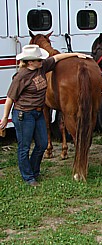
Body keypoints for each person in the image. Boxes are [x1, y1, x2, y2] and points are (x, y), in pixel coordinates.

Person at [0, 44, 92, 187]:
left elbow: (56, 58)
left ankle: (33, 171)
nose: (41, 61)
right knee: (24, 147)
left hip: (38, 113)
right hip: (24, 114)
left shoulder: (42, 67)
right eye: (38, 60)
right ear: (30, 62)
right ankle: (28, 176)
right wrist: (5, 117)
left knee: (42, 144)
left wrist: (75, 54)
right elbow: (10, 98)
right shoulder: (21, 76)